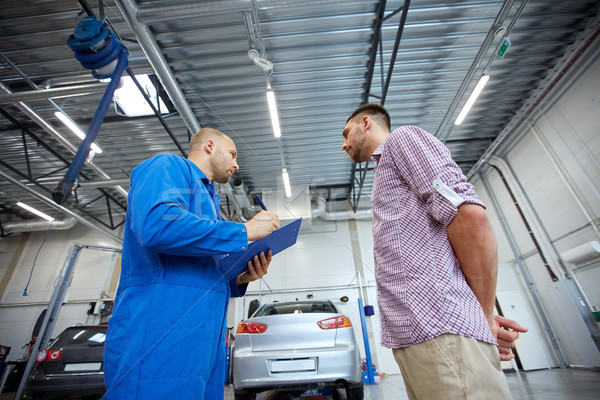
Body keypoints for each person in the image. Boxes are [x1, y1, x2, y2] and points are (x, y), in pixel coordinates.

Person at [341, 103, 526, 399]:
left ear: (366, 123)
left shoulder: (402, 140)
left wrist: (484, 316)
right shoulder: (386, 170)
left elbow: (469, 217)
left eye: (346, 133)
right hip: (419, 335)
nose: (343, 144)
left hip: (440, 326)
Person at [104, 128, 280, 400]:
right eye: (232, 154)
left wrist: (240, 277)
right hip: (159, 332)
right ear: (210, 145)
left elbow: (199, 268)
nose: (236, 164)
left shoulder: (210, 203)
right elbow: (156, 226)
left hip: (203, 341)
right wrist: (243, 232)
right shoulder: (167, 166)